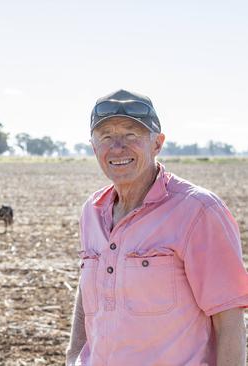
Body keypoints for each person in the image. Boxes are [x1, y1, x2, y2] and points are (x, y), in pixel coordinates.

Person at [65, 89, 248, 365]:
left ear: (157, 144)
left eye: (131, 135)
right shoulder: (92, 210)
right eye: (106, 137)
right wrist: (73, 357)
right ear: (94, 147)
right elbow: (88, 294)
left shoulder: (198, 211)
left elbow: (229, 318)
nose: (117, 147)